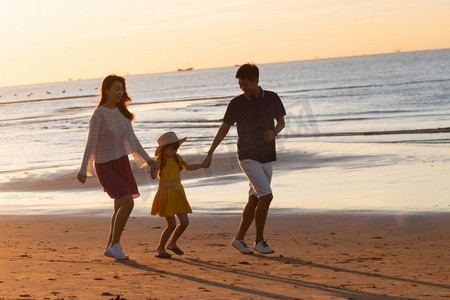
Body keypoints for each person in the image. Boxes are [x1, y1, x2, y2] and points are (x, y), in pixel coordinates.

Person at [202, 63, 286, 255]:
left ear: (257, 80)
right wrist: (210, 152)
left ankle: (239, 239)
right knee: (267, 196)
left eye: (245, 83)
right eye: (240, 84)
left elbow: (281, 122)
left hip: (266, 156)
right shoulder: (237, 103)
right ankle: (260, 241)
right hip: (247, 156)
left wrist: (274, 132)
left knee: (255, 199)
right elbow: (224, 128)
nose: (242, 87)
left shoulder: (272, 97)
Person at [77, 74, 159, 260]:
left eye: (122, 89)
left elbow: (133, 141)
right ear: (106, 90)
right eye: (116, 89)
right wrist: (84, 169)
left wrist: (149, 160)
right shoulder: (99, 115)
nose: (120, 92)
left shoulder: (123, 113)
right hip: (105, 165)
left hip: (121, 163)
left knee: (118, 208)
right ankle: (115, 245)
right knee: (128, 202)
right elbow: (91, 143)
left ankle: (110, 246)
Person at [151, 131, 205, 258]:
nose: (174, 152)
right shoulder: (159, 160)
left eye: (176, 149)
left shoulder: (177, 158)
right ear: (163, 149)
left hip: (177, 192)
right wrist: (152, 170)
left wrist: (202, 165)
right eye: (171, 149)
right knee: (171, 224)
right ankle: (160, 248)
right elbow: (153, 176)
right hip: (166, 194)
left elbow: (188, 167)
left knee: (185, 222)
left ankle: (172, 243)